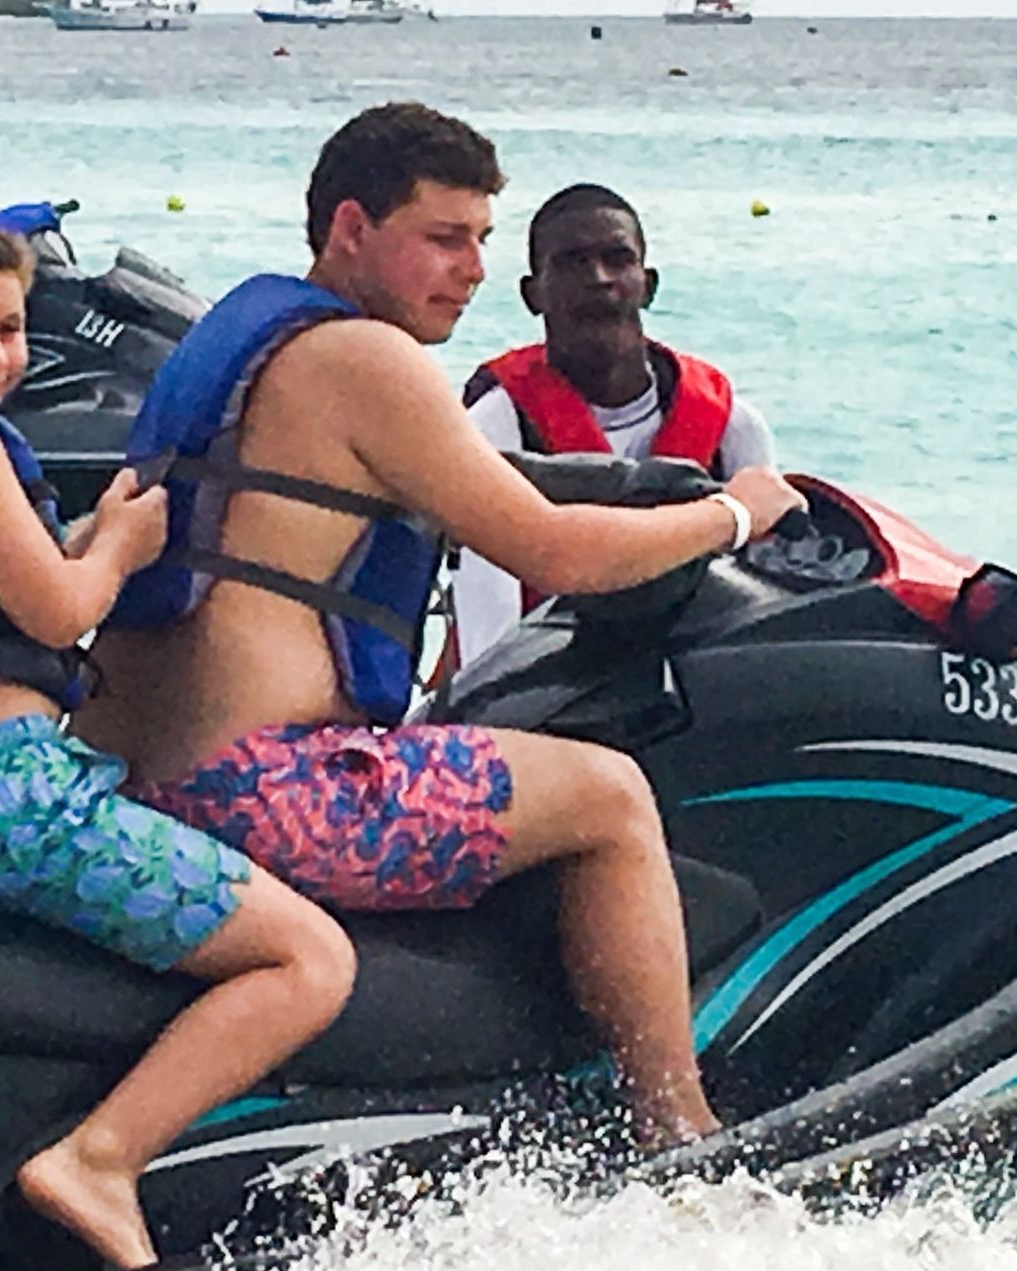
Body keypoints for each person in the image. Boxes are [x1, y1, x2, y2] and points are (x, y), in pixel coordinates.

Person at [71, 104, 806, 1148]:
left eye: (482, 243)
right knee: (609, 795)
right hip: (259, 790)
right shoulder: (366, 359)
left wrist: (624, 481)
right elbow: (551, 553)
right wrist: (736, 511)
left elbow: (426, 485)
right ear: (350, 231)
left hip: (134, 777)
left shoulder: (242, 338)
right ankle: (675, 1130)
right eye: (443, 238)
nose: (468, 269)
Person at [0, 209, 354, 1271]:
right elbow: (58, 614)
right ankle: (102, 1157)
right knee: (307, 955)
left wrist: (92, 538)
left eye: (11, 330)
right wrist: (128, 543)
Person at [452, 182, 778, 667]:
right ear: (532, 293)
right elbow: (486, 624)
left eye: (617, 259)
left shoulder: (734, 426)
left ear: (649, 283)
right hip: (538, 685)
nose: (599, 278)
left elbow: (766, 599)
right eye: (572, 262)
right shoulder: (497, 423)